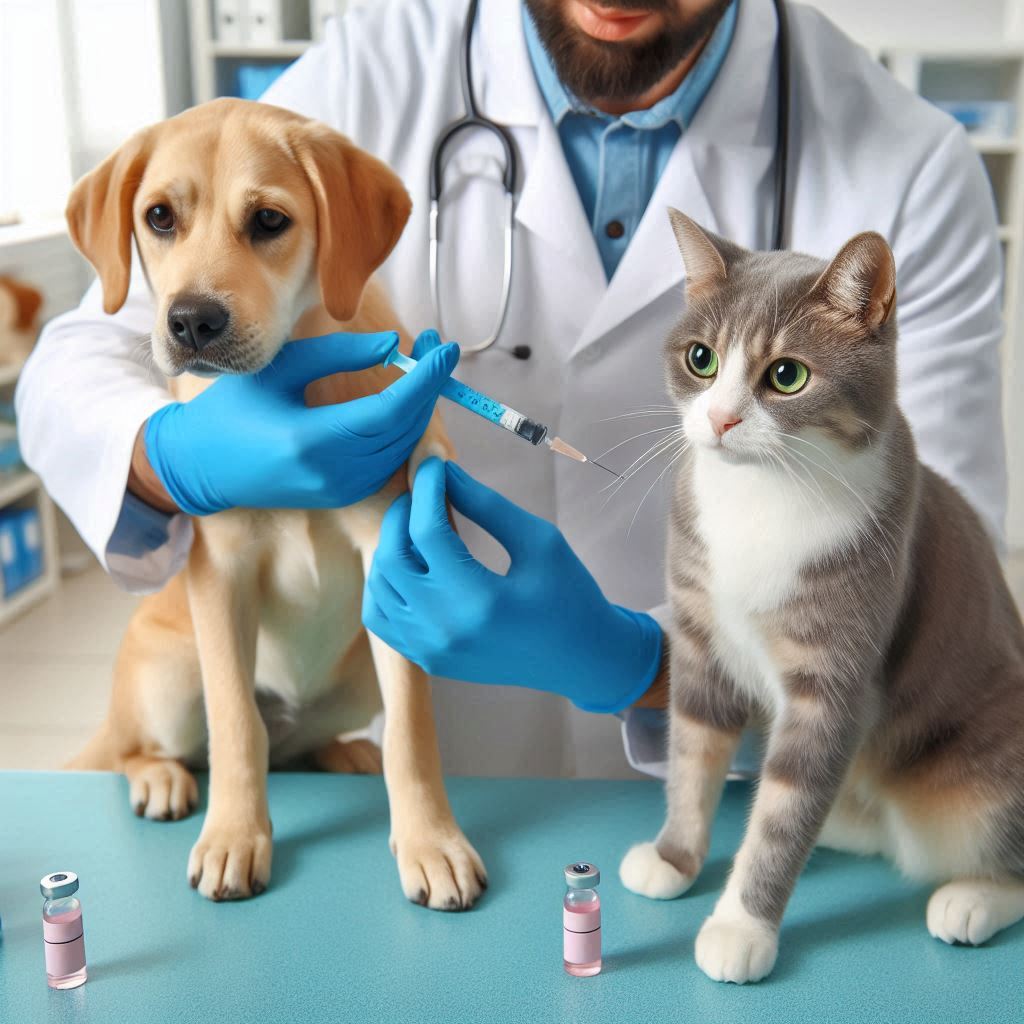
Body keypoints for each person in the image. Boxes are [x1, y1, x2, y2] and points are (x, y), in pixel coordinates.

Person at [18, 0, 1006, 779]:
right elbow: (82, 352)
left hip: (752, 788)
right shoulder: (376, 67)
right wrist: (166, 455)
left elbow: (940, 613)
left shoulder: (905, 166)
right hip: (440, 767)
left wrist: (639, 665)